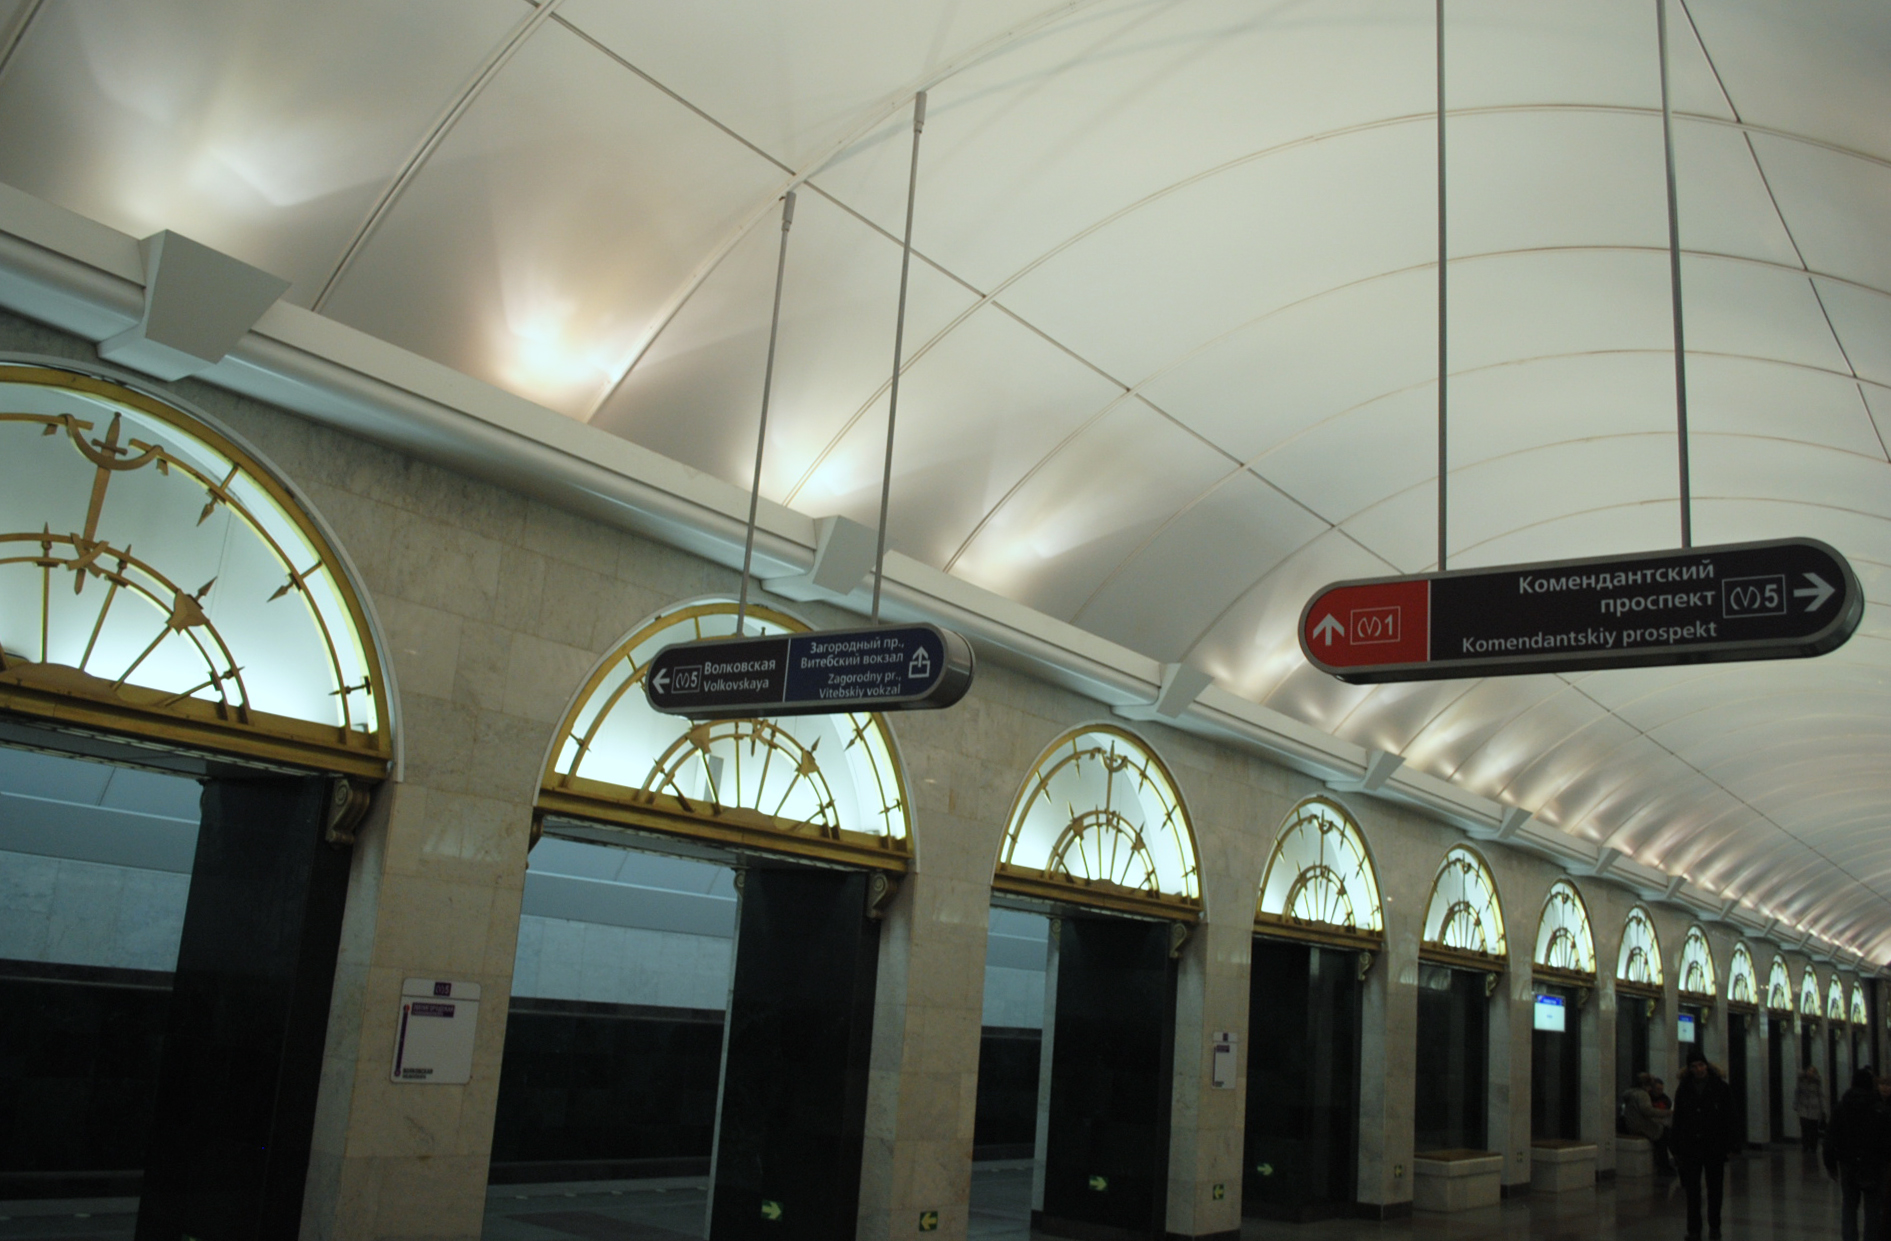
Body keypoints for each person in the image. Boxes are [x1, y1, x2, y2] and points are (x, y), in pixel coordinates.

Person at [1671, 1050, 1735, 1241]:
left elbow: (1730, 1116)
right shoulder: (1684, 1089)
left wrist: (1730, 1144)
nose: (1698, 1069)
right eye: (1694, 1066)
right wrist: (1675, 1146)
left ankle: (1715, 1226)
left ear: (1706, 1065)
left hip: (1714, 1145)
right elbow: (1678, 1118)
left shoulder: (1720, 1087)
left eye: (1700, 1065)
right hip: (1691, 1146)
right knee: (1692, 1191)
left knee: (1715, 1189)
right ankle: (1694, 1229)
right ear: (1689, 1069)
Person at [1826, 1066, 1886, 1241]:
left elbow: (1830, 1137)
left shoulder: (1840, 1108)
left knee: (1849, 1205)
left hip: (1847, 1163)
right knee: (1872, 1207)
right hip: (1873, 1164)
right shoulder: (1878, 1110)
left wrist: (1830, 1164)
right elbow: (1886, 1139)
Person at [1621, 1072, 1674, 1174]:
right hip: (1640, 1125)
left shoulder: (1631, 1093)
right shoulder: (1642, 1095)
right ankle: (1665, 1165)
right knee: (1663, 1134)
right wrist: (1666, 1113)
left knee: (1662, 1134)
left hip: (1632, 1124)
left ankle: (1664, 1164)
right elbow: (1647, 1110)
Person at [1800, 1064, 1831, 1152]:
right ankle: (1805, 1146)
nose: (1809, 1073)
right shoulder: (1802, 1081)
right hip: (1804, 1107)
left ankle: (1813, 1146)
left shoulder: (1817, 1083)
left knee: (1813, 1128)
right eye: (1809, 1070)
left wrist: (1823, 1110)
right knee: (1804, 1127)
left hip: (1814, 1108)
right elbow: (1798, 1093)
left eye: (1812, 1071)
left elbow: (1821, 1096)